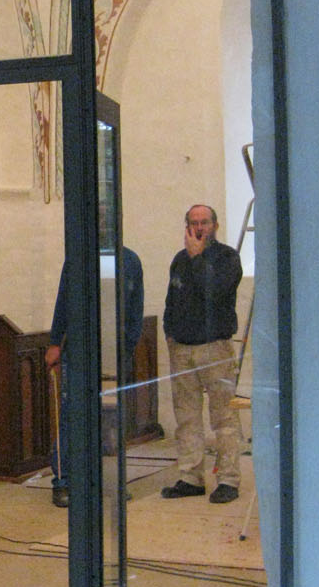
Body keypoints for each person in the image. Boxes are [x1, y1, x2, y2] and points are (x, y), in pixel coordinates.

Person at [45, 245, 144, 508]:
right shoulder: (78, 257)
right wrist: (55, 342)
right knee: (72, 416)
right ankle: (64, 481)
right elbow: (63, 301)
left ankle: (110, 479)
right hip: (79, 352)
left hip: (112, 355)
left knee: (111, 418)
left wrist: (127, 347)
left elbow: (135, 309)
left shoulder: (130, 260)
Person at [161, 203, 243, 504]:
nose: (199, 228)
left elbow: (215, 291)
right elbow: (172, 300)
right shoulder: (179, 260)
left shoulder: (227, 258)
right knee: (186, 418)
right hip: (182, 349)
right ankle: (191, 477)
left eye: (204, 222)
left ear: (215, 226)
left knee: (224, 417)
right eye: (193, 222)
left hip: (214, 349)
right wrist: (170, 333)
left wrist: (197, 258)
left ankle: (228, 479)